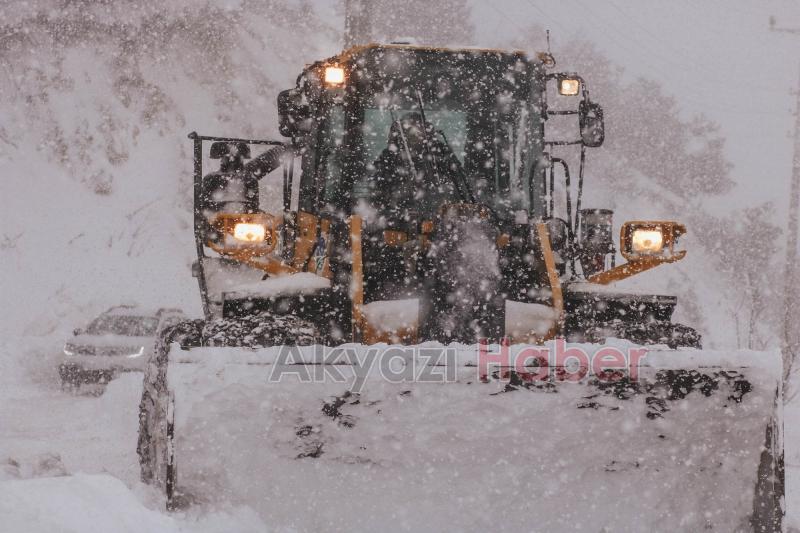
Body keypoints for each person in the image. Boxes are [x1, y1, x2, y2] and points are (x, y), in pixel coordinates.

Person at [368, 112, 459, 231]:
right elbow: (376, 193)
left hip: (441, 224)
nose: (415, 134)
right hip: (396, 227)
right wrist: (396, 205)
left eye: (419, 128)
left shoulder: (440, 153)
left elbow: (458, 184)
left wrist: (443, 201)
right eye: (409, 130)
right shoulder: (389, 158)